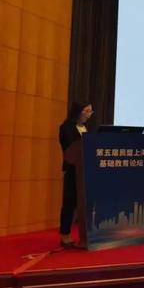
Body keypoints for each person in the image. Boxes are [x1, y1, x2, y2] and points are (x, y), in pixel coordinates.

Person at [58, 101, 94, 247]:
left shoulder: (85, 127)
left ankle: (87, 235)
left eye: (91, 111)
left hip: (87, 170)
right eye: (87, 111)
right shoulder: (66, 127)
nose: (89, 114)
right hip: (73, 170)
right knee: (69, 202)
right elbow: (70, 148)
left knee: (86, 203)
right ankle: (65, 235)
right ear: (78, 111)